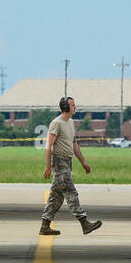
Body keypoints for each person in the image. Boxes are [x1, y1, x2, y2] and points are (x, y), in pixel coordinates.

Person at [40, 97, 103, 236]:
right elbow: (48, 146)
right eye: (72, 105)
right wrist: (48, 167)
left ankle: (45, 226)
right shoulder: (56, 123)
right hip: (59, 162)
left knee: (56, 197)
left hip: (68, 162)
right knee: (70, 192)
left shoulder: (71, 122)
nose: (75, 107)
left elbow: (74, 144)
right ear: (65, 108)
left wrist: (83, 162)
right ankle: (84, 223)